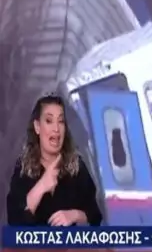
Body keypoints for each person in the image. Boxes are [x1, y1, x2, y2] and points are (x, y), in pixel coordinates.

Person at [6, 94, 102, 226]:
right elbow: (14, 223)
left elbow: (95, 216)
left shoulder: (77, 167)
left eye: (61, 121)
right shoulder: (23, 168)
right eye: (49, 121)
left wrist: (75, 215)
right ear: (37, 127)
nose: (56, 129)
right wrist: (42, 186)